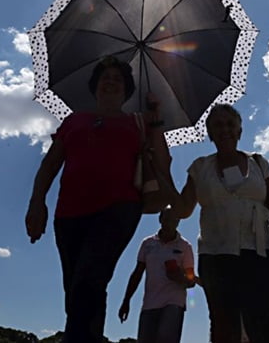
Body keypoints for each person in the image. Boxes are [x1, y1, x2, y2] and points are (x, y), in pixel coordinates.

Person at [25, 56, 170, 343]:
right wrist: (36, 202)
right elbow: (50, 164)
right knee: (79, 286)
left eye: (118, 78)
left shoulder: (139, 123)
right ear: (95, 86)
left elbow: (164, 163)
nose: (111, 81)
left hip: (119, 209)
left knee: (89, 279)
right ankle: (89, 337)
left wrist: (156, 118)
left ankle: (74, 339)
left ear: (127, 89)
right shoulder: (74, 120)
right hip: (69, 214)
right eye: (106, 77)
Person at [160, 104, 269, 343]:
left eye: (230, 125)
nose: (225, 129)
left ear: (239, 131)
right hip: (216, 257)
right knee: (224, 326)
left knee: (263, 322)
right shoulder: (200, 167)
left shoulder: (258, 164)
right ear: (210, 133)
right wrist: (162, 172)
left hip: (259, 254)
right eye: (218, 125)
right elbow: (183, 210)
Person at [118, 207, 196, 343]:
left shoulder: (185, 246)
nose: (169, 222)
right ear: (160, 220)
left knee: (166, 339)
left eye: (173, 219)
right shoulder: (147, 244)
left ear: (178, 222)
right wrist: (126, 300)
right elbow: (137, 273)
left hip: (174, 302)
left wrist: (180, 278)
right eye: (166, 218)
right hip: (150, 303)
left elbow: (191, 279)